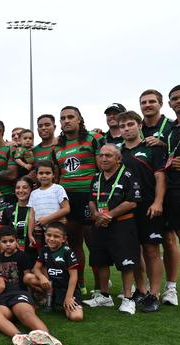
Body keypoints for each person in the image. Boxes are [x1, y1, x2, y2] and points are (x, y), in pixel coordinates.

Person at [83, 144, 140, 314]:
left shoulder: (128, 175)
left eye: (108, 155)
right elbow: (91, 200)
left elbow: (132, 201)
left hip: (122, 225)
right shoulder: (96, 177)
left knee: (126, 263)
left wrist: (110, 215)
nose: (103, 159)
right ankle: (104, 296)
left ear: (118, 158)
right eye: (101, 155)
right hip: (100, 225)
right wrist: (96, 215)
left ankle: (128, 299)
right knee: (100, 261)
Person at [118, 113, 167, 312]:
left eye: (131, 124)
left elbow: (160, 178)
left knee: (151, 251)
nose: (127, 128)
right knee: (133, 251)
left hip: (148, 207)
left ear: (139, 125)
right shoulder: (118, 152)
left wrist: (158, 202)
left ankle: (154, 294)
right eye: (123, 126)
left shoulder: (151, 148)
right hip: (127, 207)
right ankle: (141, 290)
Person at [54, 106, 103, 294]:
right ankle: (80, 283)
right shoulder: (58, 146)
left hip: (89, 196)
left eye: (70, 117)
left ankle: (100, 287)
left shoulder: (93, 138)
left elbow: (103, 167)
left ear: (79, 119)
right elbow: (57, 176)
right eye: (63, 118)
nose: (66, 121)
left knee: (94, 243)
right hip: (68, 198)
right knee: (74, 244)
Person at [140, 89, 179, 306]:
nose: (148, 105)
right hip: (145, 193)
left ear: (161, 104)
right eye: (144, 102)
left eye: (152, 101)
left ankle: (171, 288)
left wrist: (163, 145)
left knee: (169, 238)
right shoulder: (138, 127)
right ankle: (145, 284)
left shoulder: (172, 126)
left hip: (170, 188)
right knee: (147, 243)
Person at [31, 222, 84, 322]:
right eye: (49, 235)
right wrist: (42, 277)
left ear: (64, 239)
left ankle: (63, 303)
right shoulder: (45, 249)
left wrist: (68, 297)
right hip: (51, 287)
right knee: (28, 278)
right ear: (45, 235)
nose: (51, 239)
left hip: (66, 289)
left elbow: (74, 277)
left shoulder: (67, 252)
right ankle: (47, 298)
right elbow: (36, 268)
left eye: (56, 236)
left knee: (76, 317)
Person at [27, 160, 70, 250]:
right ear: (37, 175)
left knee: (59, 254)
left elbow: (66, 209)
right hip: (39, 231)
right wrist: (30, 234)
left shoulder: (58, 189)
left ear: (53, 175)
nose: (44, 175)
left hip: (56, 230)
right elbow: (31, 215)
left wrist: (47, 219)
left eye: (48, 173)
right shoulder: (34, 193)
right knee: (42, 255)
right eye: (41, 173)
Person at [162, 85, 180, 306]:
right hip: (170, 189)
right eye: (174, 98)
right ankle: (171, 288)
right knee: (168, 238)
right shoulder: (170, 129)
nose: (177, 101)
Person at [0, 177, 37, 264]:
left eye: (25, 187)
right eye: (18, 188)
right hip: (12, 252)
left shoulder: (37, 208)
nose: (21, 190)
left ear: (31, 190)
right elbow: (3, 232)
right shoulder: (8, 210)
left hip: (33, 251)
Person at [0, 227, 34, 291]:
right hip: (6, 290)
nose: (8, 244)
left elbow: (27, 276)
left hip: (20, 290)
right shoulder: (1, 256)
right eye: (4, 242)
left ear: (17, 241)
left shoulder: (22, 255)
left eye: (11, 241)